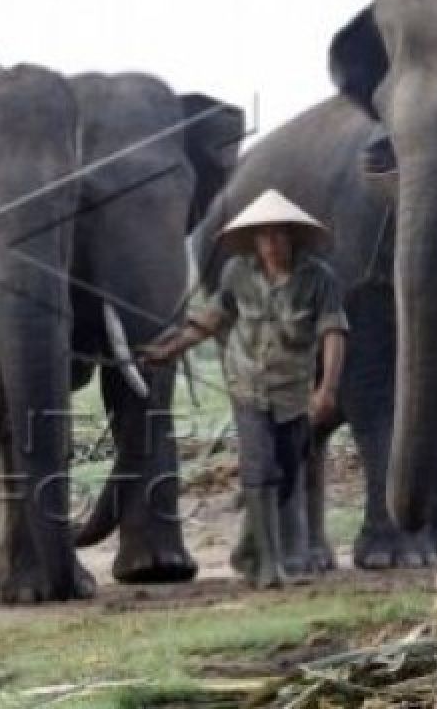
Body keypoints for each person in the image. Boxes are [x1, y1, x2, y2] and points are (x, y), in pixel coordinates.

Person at [143, 189, 348, 589]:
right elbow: (211, 320)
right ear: (254, 240)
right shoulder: (237, 272)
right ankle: (269, 566)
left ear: (292, 236)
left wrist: (327, 389)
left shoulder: (318, 279)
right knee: (259, 468)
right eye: (263, 235)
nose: (271, 243)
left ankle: (248, 552)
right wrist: (168, 350)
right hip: (247, 385)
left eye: (278, 234)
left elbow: (334, 333)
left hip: (293, 391)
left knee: (287, 472)